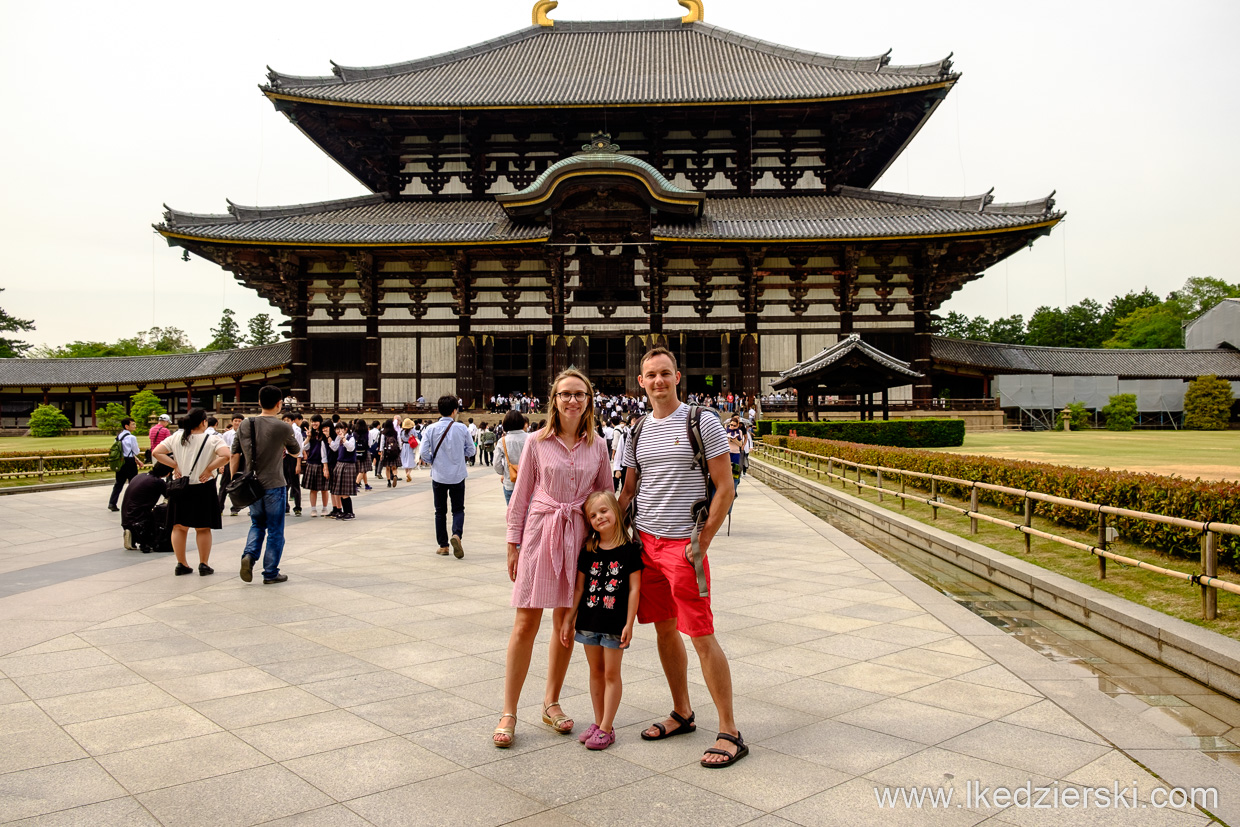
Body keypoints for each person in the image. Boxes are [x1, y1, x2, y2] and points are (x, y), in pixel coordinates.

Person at [618, 347, 745, 768]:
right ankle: (682, 711)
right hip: (646, 544)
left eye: (664, 374)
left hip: (682, 544)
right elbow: (629, 491)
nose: (657, 381)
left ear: (678, 377)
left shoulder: (700, 421)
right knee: (664, 630)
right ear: (640, 382)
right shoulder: (635, 431)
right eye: (650, 375)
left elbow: (724, 488)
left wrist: (702, 541)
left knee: (701, 634)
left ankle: (729, 730)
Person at [493, 368, 611, 748]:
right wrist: (513, 542)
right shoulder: (536, 442)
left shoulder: (599, 445)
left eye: (579, 394)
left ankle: (551, 701)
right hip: (541, 533)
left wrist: (609, 545)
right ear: (554, 400)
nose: (572, 401)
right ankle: (508, 710)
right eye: (565, 394)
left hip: (579, 538)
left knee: (565, 625)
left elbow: (605, 497)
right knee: (525, 622)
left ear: (589, 400)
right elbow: (521, 495)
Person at [558, 491, 642, 751]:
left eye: (604, 511)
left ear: (616, 512)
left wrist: (629, 623)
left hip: (615, 626)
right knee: (595, 672)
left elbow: (634, 590)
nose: (599, 518)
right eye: (592, 515)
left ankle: (607, 726)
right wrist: (568, 619)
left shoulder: (630, 551)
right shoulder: (589, 550)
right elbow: (580, 588)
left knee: (611, 674)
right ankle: (598, 722)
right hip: (588, 622)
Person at [231, 385, 302, 584]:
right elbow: (296, 451)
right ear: (279, 404)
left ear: (259, 402)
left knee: (257, 524)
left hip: (252, 483)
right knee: (275, 530)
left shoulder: (245, 424)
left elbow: (234, 452)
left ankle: (249, 555)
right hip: (274, 483)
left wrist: (233, 480)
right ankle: (270, 572)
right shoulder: (283, 427)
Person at [152, 408, 231, 576]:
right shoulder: (213, 439)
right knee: (203, 528)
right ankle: (204, 564)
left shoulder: (176, 437)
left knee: (179, 527)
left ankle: (181, 564)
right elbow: (226, 455)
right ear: (204, 422)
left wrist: (175, 465)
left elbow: (156, 452)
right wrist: (210, 469)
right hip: (203, 486)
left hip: (180, 486)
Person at [420, 396, 474, 557]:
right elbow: (471, 451)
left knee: (440, 511)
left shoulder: (430, 429)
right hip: (457, 475)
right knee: (458, 509)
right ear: (454, 410)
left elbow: (423, 452)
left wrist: (432, 461)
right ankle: (456, 534)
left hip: (439, 475)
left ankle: (443, 546)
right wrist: (460, 455)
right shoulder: (462, 428)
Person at [121, 462, 174, 552]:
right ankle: (140, 537)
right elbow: (169, 496)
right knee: (163, 511)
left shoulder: (140, 476)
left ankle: (132, 535)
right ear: (168, 473)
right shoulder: (158, 481)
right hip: (140, 521)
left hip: (126, 518)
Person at [108, 417, 144, 512]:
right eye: (133, 424)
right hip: (129, 462)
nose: (135, 426)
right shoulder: (132, 437)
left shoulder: (118, 436)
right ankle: (133, 504)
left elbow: (121, 451)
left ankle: (112, 503)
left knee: (119, 483)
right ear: (126, 426)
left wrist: (137, 460)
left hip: (120, 461)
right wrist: (137, 456)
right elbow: (135, 451)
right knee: (133, 483)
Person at [493, 410, 527, 505]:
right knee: (528, 515)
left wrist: (503, 472)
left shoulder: (502, 441)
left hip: (510, 483)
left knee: (513, 516)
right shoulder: (530, 438)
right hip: (528, 484)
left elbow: (496, 464)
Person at [327, 419, 359, 520]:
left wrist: (344, 439)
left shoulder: (350, 438)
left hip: (348, 465)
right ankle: (345, 512)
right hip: (340, 464)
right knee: (340, 491)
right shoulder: (339, 439)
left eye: (341, 428)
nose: (338, 431)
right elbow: (335, 448)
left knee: (345, 491)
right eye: (337, 429)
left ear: (346, 429)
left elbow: (351, 448)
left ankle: (349, 512)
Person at [302, 415, 331, 516]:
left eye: (316, 422)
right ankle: (313, 509)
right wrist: (308, 437)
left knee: (324, 489)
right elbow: (304, 447)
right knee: (313, 488)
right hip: (312, 462)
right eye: (312, 422)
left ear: (320, 422)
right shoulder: (311, 434)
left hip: (323, 463)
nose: (314, 424)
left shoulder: (324, 434)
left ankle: (325, 508)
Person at [218, 414, 244, 513]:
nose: (237, 423)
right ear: (232, 422)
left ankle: (235, 508)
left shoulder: (245, 434)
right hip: (229, 460)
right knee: (224, 484)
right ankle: (219, 507)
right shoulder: (226, 435)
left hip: (242, 460)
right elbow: (223, 450)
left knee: (239, 484)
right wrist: (222, 465)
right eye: (235, 421)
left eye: (239, 421)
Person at [281, 412, 303, 516]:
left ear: (292, 421)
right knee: (284, 484)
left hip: (293, 458)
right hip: (283, 458)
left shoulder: (296, 433)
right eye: (284, 420)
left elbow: (300, 449)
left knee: (295, 484)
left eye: (288, 420)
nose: (286, 422)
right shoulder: (279, 433)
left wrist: (298, 464)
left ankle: (297, 507)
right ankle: (285, 507)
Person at [379, 420, 401, 487]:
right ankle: (395, 475)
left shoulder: (383, 433)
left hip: (387, 452)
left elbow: (382, 443)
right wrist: (399, 449)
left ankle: (388, 482)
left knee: (387, 468)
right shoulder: (395, 432)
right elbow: (399, 442)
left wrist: (381, 452)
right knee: (394, 467)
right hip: (394, 451)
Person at [399, 418, 419, 482]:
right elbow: (416, 438)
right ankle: (409, 473)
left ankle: (406, 474)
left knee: (404, 459)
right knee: (411, 459)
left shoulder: (402, 431)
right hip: (411, 446)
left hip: (404, 445)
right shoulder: (413, 431)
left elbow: (401, 439)